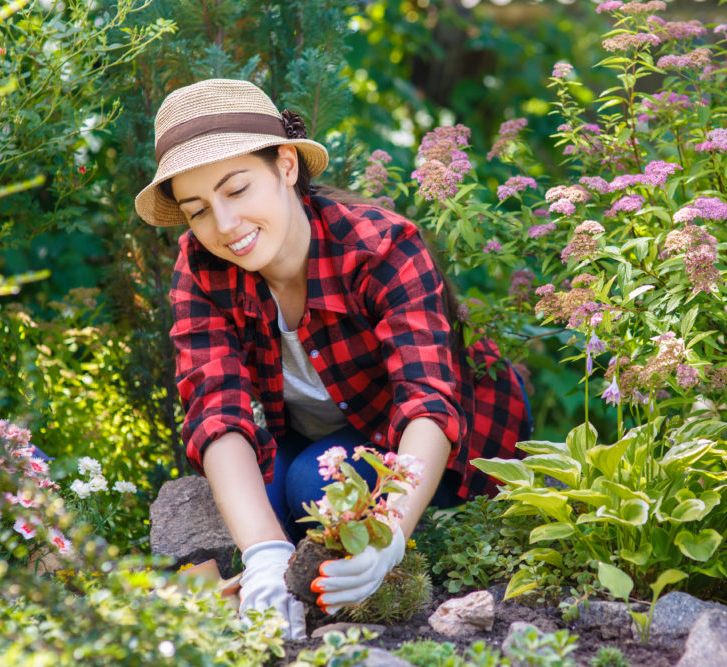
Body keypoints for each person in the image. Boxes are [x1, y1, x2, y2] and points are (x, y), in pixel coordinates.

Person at [134, 79, 531, 638]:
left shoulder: (382, 248)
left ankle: (391, 559)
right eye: (198, 210)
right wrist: (267, 555)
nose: (224, 226)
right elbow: (213, 409)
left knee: (309, 487)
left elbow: (429, 404)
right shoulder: (201, 265)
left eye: (238, 189)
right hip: (322, 436)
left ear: (287, 165)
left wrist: (389, 534)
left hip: (443, 440)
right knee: (254, 515)